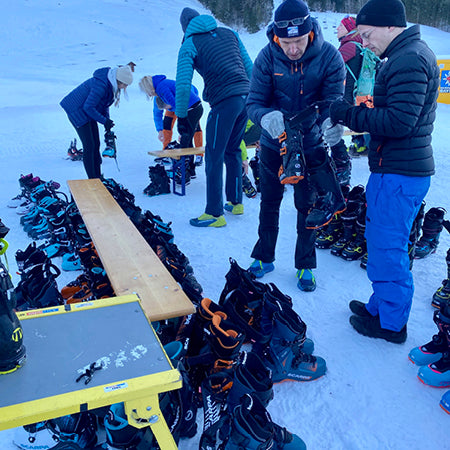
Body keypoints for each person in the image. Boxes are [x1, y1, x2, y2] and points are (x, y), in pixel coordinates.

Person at [329, 0, 440, 343]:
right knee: (381, 243)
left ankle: (391, 324)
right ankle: (381, 305)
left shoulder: (409, 58)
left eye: (367, 34)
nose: (364, 42)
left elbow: (399, 122)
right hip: (395, 168)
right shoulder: (404, 55)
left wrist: (347, 114)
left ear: (390, 26)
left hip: (400, 172)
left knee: (388, 248)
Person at [246, 0, 346, 291]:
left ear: (310, 32)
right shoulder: (266, 58)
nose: (293, 49)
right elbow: (253, 103)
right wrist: (266, 118)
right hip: (273, 143)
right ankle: (264, 256)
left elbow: (333, 101)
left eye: (299, 41)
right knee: (269, 202)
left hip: (310, 142)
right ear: (276, 36)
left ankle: (305, 265)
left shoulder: (329, 57)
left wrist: (332, 122)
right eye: (286, 42)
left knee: (307, 205)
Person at [176, 7, 253, 228]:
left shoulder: (189, 43)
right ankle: (236, 202)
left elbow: (182, 85)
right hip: (245, 97)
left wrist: (182, 117)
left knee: (213, 155)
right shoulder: (231, 33)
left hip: (224, 102)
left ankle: (214, 213)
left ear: (185, 28)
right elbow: (250, 68)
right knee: (233, 149)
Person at [60, 64, 133, 179]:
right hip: (77, 110)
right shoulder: (101, 85)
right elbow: (88, 107)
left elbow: (104, 104)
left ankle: (98, 176)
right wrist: (104, 121)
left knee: (96, 144)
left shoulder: (109, 84)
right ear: (119, 81)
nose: (124, 87)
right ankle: (92, 179)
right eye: (125, 84)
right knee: (89, 145)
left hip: (86, 110)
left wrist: (107, 121)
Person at [139, 75, 203, 176]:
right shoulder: (161, 88)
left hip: (192, 109)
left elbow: (175, 104)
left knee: (185, 139)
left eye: (147, 92)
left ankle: (184, 169)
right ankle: (189, 169)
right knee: (187, 140)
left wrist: (183, 130)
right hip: (192, 108)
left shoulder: (161, 88)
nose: (149, 95)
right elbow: (160, 112)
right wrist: (161, 130)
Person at [336, 15, 370, 158]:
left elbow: (332, 65)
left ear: (349, 29)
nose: (338, 28)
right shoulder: (361, 44)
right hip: (361, 94)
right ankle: (361, 145)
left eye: (341, 26)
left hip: (349, 95)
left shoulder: (349, 46)